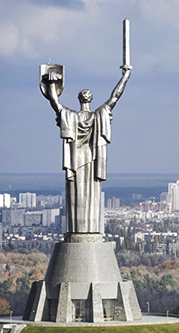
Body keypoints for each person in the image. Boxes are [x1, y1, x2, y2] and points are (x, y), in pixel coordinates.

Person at [41, 65, 131, 234]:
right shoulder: (99, 115)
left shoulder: (71, 116)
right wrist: (125, 76)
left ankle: (78, 231)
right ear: (90, 99)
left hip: (75, 162)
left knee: (76, 196)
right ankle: (88, 231)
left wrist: (51, 82)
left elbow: (54, 102)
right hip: (92, 160)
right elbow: (115, 97)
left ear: (79, 99)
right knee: (91, 195)